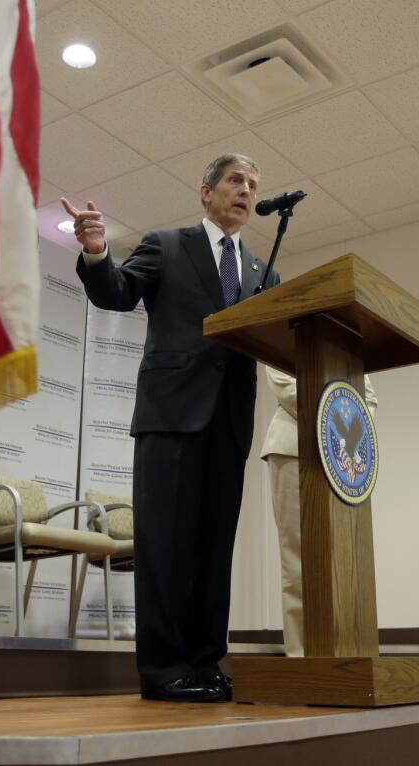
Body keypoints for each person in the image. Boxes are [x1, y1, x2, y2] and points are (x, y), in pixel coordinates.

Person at [63, 153, 274, 703]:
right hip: (171, 417)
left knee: (213, 548)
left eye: (253, 185)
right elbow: (116, 292)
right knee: (166, 546)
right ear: (205, 192)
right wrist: (95, 251)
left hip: (228, 425)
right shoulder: (167, 244)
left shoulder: (262, 271)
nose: (245, 190)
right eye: (235, 180)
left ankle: (205, 662)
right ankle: (162, 669)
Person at [260, 367, 377, 657]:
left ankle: (348, 653)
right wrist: (338, 424)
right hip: (293, 447)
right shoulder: (282, 331)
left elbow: (369, 397)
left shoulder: (346, 337)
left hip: (345, 459)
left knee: (345, 554)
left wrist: (354, 436)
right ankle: (302, 656)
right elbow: (286, 386)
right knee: (298, 558)